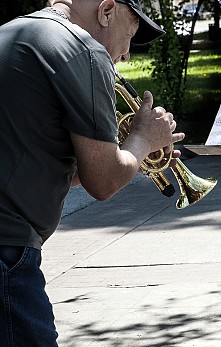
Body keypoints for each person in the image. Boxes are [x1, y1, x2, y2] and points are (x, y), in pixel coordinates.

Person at [0, 0, 185, 345]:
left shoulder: (11, 33)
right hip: (7, 251)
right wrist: (143, 139)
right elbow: (102, 182)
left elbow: (33, 163)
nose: (127, 55)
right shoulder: (84, 49)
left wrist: (132, 155)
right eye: (130, 34)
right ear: (106, 11)